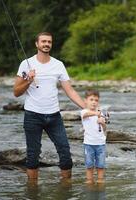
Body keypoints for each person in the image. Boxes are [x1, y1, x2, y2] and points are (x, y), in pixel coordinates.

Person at [13, 32, 85, 180]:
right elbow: (16, 92)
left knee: (65, 152)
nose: (46, 44)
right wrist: (28, 80)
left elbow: (69, 90)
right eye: (43, 41)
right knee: (33, 156)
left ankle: (66, 189)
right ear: (37, 44)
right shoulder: (26, 64)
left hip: (54, 116)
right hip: (32, 116)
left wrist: (86, 108)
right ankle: (32, 191)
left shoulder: (58, 65)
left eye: (49, 42)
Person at [81, 90, 107, 184]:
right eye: (91, 99)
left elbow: (104, 129)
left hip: (100, 143)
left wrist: (102, 123)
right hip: (88, 143)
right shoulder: (84, 111)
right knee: (89, 164)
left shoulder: (101, 113)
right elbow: (85, 115)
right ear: (85, 101)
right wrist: (96, 114)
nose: (94, 102)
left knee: (101, 164)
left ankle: (100, 180)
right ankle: (89, 180)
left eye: (96, 100)